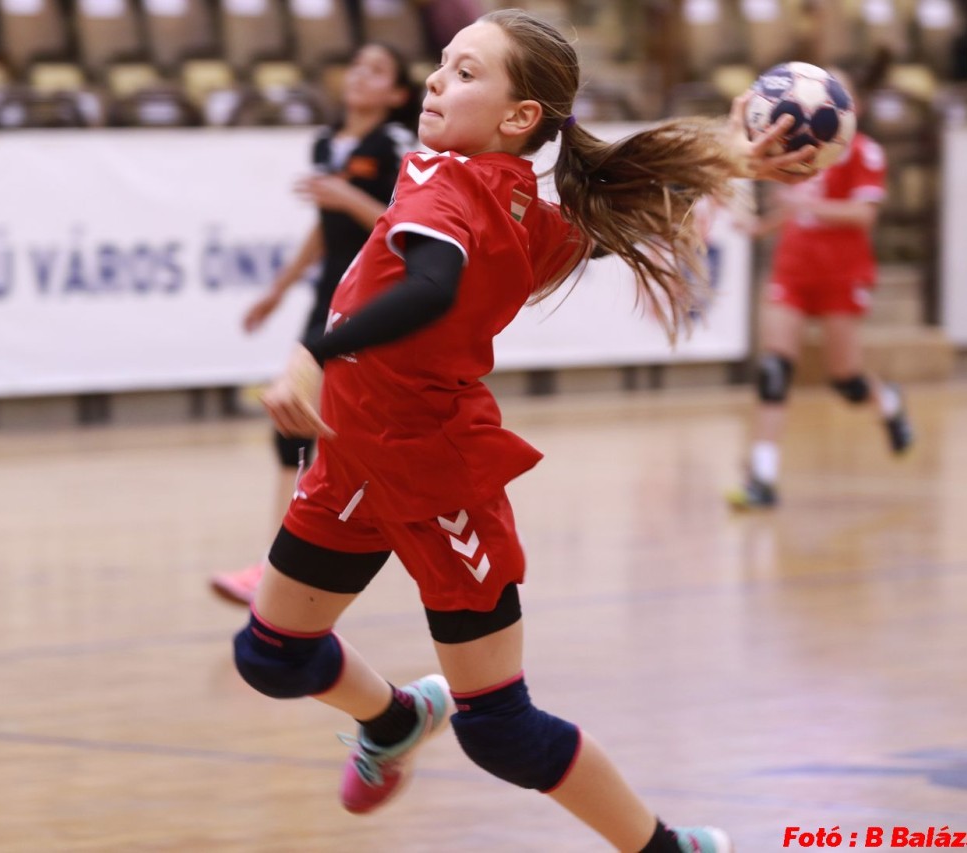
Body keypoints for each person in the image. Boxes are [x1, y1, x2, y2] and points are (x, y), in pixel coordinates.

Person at [232, 10, 810, 851]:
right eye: (443, 63)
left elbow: (433, 285)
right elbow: (594, 236)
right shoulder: (499, 194)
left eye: (466, 72)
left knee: (500, 728)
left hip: (434, 474)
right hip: (352, 460)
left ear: (520, 116)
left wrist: (313, 352)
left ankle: (668, 847)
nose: (437, 80)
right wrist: (724, 159)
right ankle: (395, 718)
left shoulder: (450, 190)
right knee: (272, 654)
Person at [211, 43, 418, 604]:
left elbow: (405, 228)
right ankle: (280, 566)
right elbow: (324, 229)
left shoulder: (395, 145)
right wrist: (278, 290)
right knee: (298, 425)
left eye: (377, 70)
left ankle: (285, 568)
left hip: (372, 303)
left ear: (397, 93)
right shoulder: (326, 143)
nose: (360, 75)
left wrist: (348, 197)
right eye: (357, 65)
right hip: (327, 298)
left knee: (314, 425)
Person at [726, 72, 913, 511]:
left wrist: (806, 205)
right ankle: (763, 476)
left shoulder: (864, 152)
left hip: (841, 273)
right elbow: (793, 209)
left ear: (850, 109)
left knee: (846, 379)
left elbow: (862, 215)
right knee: (774, 368)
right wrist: (761, 226)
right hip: (793, 268)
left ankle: (886, 402)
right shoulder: (801, 149)